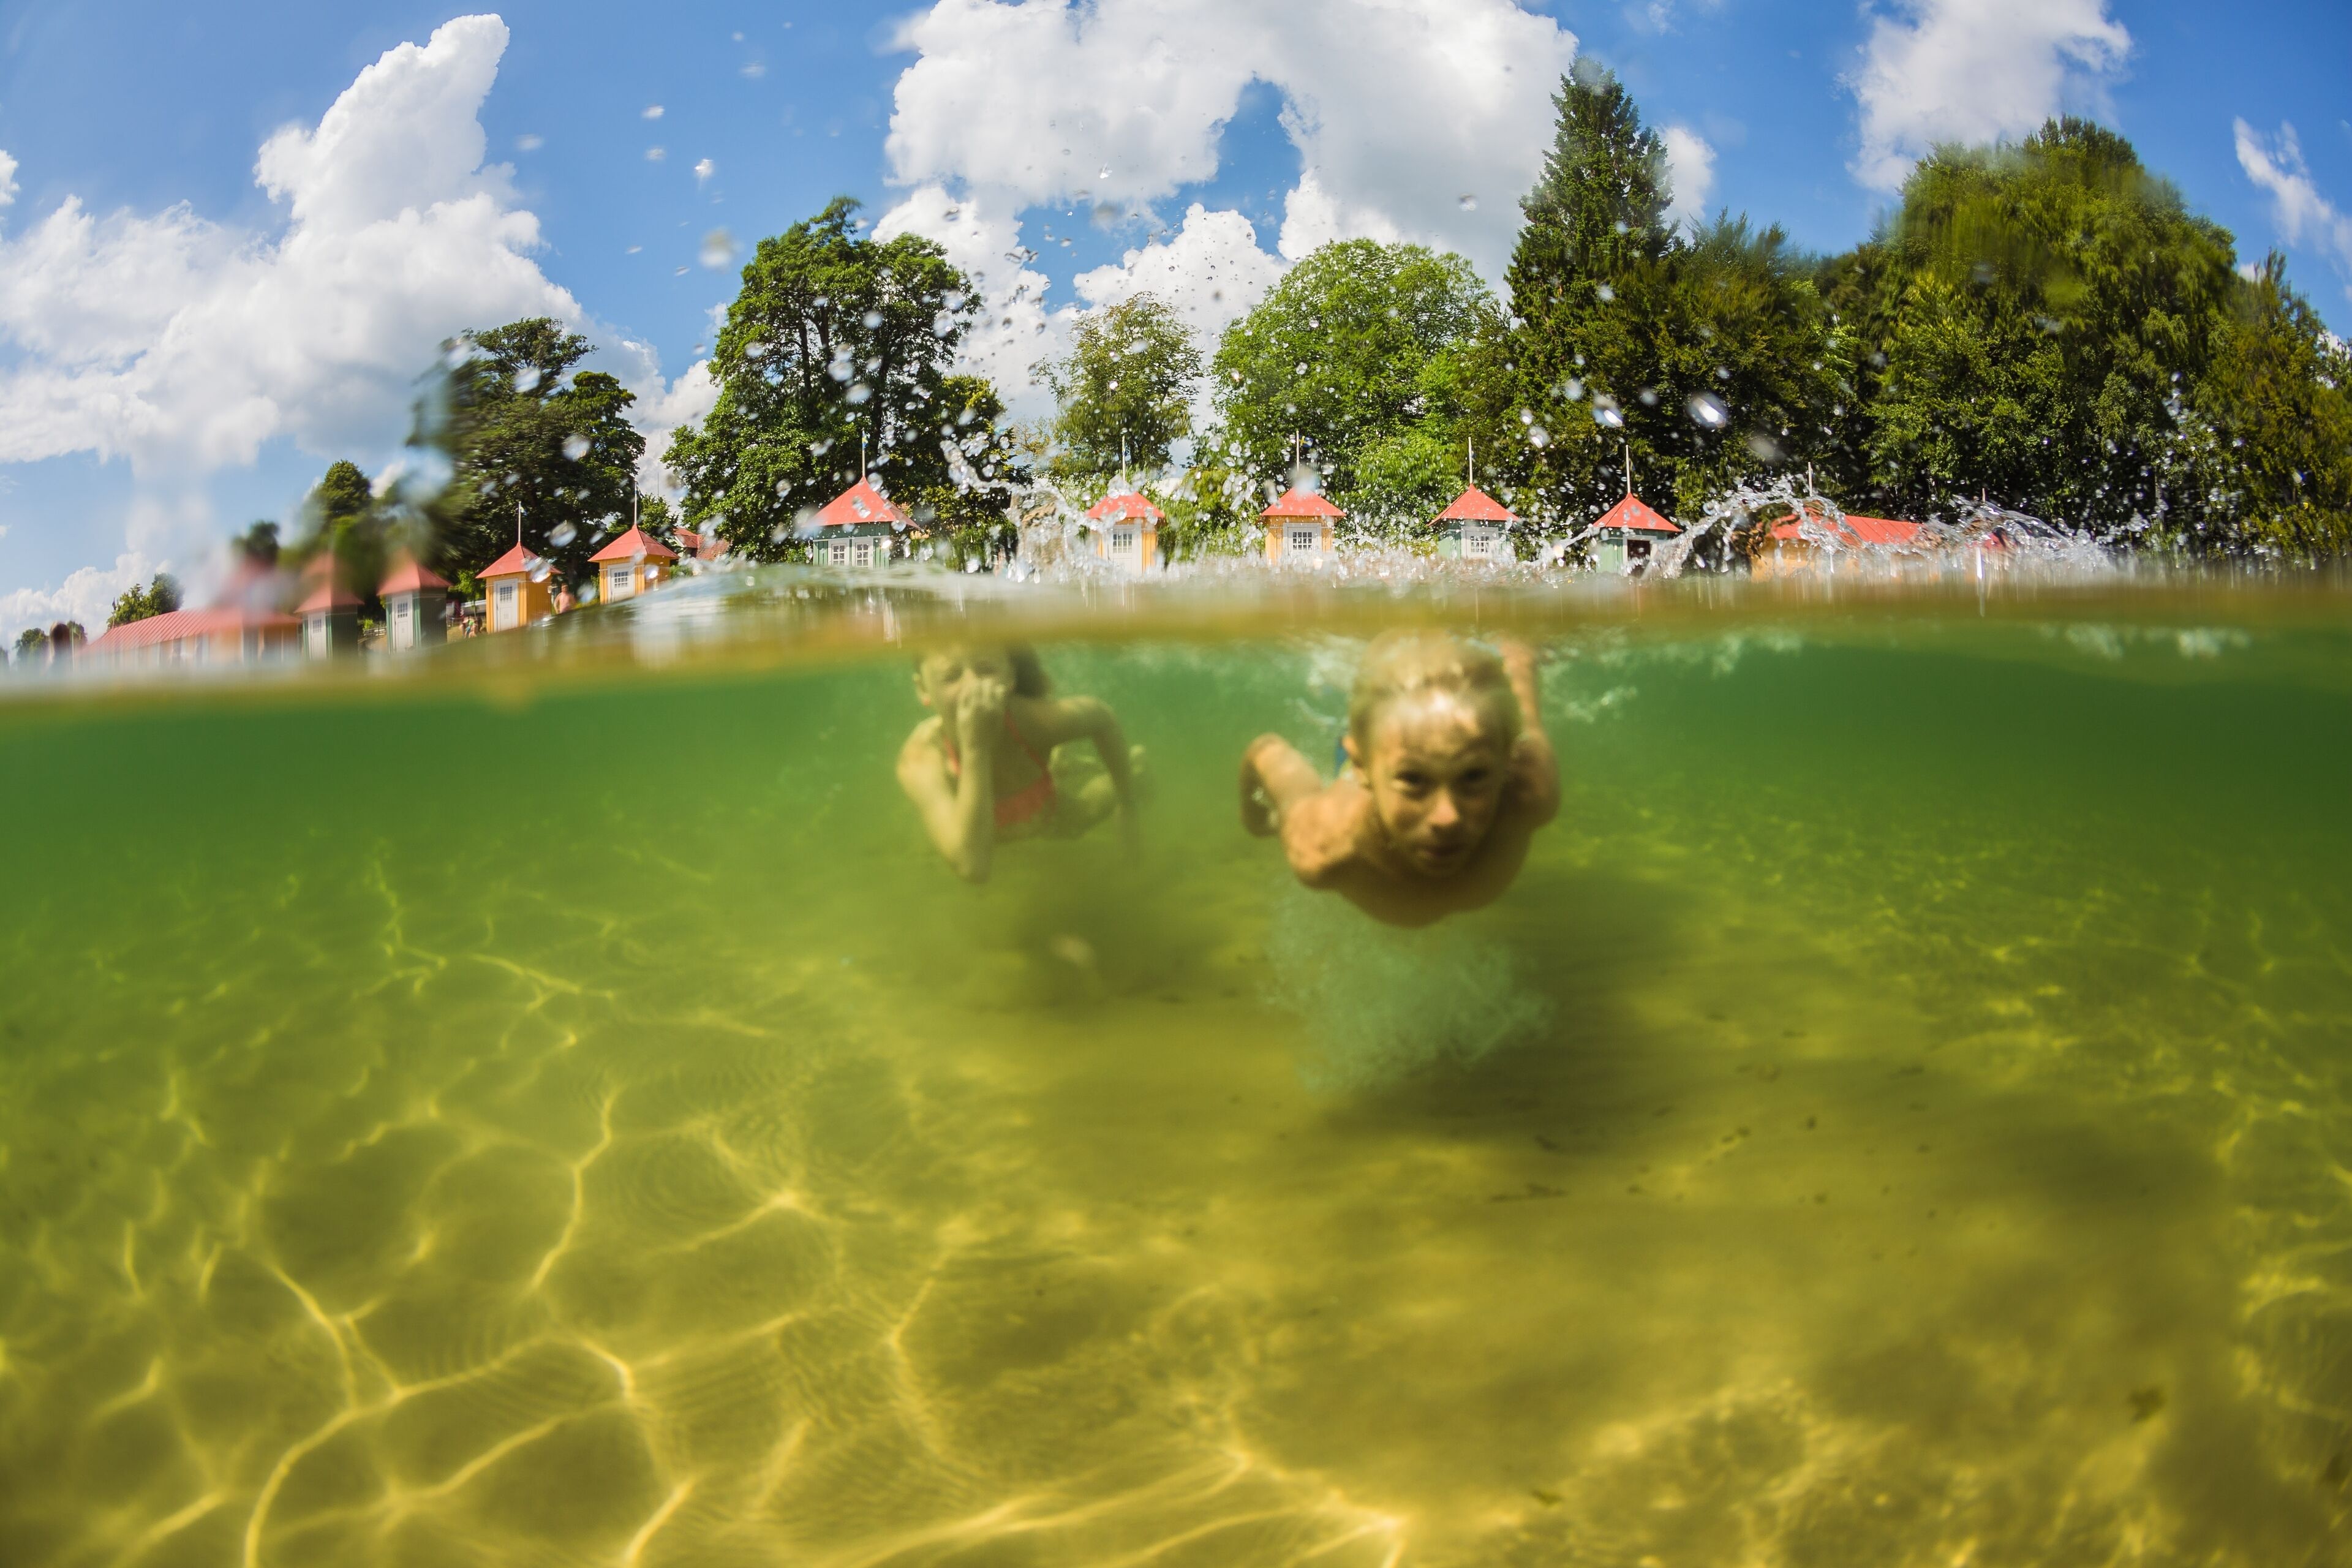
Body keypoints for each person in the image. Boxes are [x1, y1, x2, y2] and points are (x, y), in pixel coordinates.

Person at [1238, 630, 1558, 927]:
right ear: (1360, 766)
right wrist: (1257, 822)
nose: (1447, 819)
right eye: (1414, 780)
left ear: (1506, 760)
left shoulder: (1531, 790)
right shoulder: (1323, 847)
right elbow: (1264, 751)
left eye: (1473, 776)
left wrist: (1519, 647)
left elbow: (1520, 667)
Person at [897, 644, 1139, 883]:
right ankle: (1059, 762)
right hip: (984, 836)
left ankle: (1138, 765)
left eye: (986, 670)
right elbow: (972, 868)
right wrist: (976, 748)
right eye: (951, 676)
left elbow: (1101, 717)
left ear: (1010, 676)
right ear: (923, 690)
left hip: (1046, 812)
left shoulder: (1030, 721)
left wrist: (1128, 806)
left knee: (1079, 823)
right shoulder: (921, 760)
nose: (972, 688)